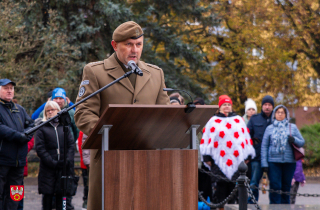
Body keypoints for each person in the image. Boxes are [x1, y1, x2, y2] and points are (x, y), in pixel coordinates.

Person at [74, 21, 170, 209]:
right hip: (108, 158)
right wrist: (114, 134)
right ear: (115, 45)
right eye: (129, 44)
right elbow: (84, 113)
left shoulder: (156, 74)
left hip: (146, 160)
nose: (135, 50)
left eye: (139, 44)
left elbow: (164, 115)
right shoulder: (95, 71)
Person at [200, 95, 255, 208]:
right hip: (217, 160)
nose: (226, 107)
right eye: (224, 104)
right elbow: (206, 139)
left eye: (228, 104)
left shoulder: (238, 120)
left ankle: (232, 208)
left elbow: (245, 138)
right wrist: (207, 157)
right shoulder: (213, 121)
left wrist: (248, 155)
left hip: (236, 161)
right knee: (220, 189)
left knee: (233, 189)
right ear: (220, 107)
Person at [0, 79, 34, 210]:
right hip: (2, 161)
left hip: (19, 162)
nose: (9, 91)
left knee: (15, 195)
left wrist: (26, 134)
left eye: (11, 88)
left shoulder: (19, 109)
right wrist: (18, 136)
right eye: (5, 88)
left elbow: (31, 125)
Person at [261, 105, 305, 204]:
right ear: (274, 114)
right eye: (278, 112)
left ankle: (285, 206)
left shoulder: (292, 127)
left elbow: (302, 142)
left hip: (289, 162)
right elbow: (264, 146)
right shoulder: (269, 128)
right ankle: (275, 207)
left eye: (282, 112)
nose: (280, 114)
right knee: (275, 186)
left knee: (286, 186)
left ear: (286, 115)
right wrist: (264, 164)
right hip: (273, 162)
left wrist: (294, 140)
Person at [35, 101, 75, 210]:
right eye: (48, 110)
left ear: (58, 110)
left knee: (61, 196)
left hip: (63, 168)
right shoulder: (42, 128)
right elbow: (40, 148)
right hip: (48, 169)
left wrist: (67, 160)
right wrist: (53, 163)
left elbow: (71, 144)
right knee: (47, 197)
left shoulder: (64, 127)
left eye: (53, 110)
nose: (50, 112)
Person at [247, 95, 274, 203]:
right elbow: (247, 137)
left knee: (274, 184)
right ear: (262, 106)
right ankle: (252, 205)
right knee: (253, 183)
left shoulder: (277, 118)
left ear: (272, 106)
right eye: (265, 105)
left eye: (269, 105)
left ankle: (274, 206)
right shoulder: (254, 119)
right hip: (256, 157)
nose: (267, 107)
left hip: (273, 157)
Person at [77, 131, 89, 209]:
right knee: (87, 185)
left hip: (89, 162)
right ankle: (86, 200)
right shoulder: (83, 131)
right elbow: (81, 147)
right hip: (86, 164)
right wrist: (87, 161)